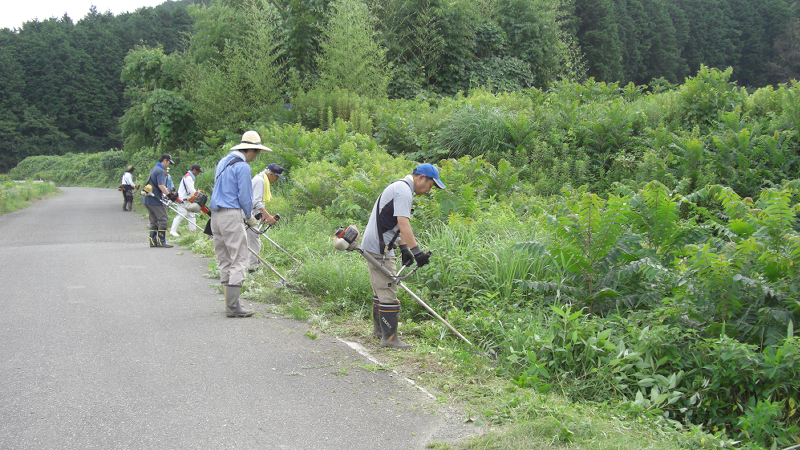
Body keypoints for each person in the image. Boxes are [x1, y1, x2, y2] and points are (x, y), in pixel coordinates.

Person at [360, 163, 445, 349]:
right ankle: (390, 339)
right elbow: (403, 222)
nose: (429, 190)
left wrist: (404, 248)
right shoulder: (404, 190)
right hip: (379, 248)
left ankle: (379, 331)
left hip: (379, 244)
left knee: (381, 289)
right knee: (389, 289)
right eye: (431, 185)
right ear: (422, 178)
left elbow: (395, 224)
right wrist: (417, 252)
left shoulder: (401, 187)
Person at [209, 131, 271, 318]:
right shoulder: (243, 167)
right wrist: (249, 215)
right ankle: (233, 306)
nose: (256, 157)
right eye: (257, 153)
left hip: (216, 215)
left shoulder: (223, 161)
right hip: (231, 214)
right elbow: (245, 196)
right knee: (239, 258)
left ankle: (229, 304)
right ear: (250, 150)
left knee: (224, 258)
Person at [247, 163, 285, 272]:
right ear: (271, 174)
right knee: (253, 242)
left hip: (253, 215)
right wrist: (268, 216)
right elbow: (256, 201)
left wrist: (263, 214)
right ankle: (252, 269)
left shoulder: (260, 178)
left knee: (252, 240)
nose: (276, 179)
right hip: (250, 216)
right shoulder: (260, 181)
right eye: (276, 177)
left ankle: (250, 265)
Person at [143, 154, 177, 248]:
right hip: (154, 199)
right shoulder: (160, 170)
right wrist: (170, 195)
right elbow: (161, 185)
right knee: (164, 219)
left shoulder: (154, 168)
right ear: (165, 160)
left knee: (153, 221)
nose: (169, 165)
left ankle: (153, 242)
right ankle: (161, 241)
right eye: (169, 163)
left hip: (147, 199)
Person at [169, 164, 203, 237]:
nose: (198, 173)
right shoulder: (188, 177)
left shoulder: (189, 176)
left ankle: (193, 232)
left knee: (191, 214)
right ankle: (172, 231)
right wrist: (198, 194)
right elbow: (191, 190)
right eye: (197, 172)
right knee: (181, 214)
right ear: (194, 170)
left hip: (187, 199)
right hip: (182, 199)